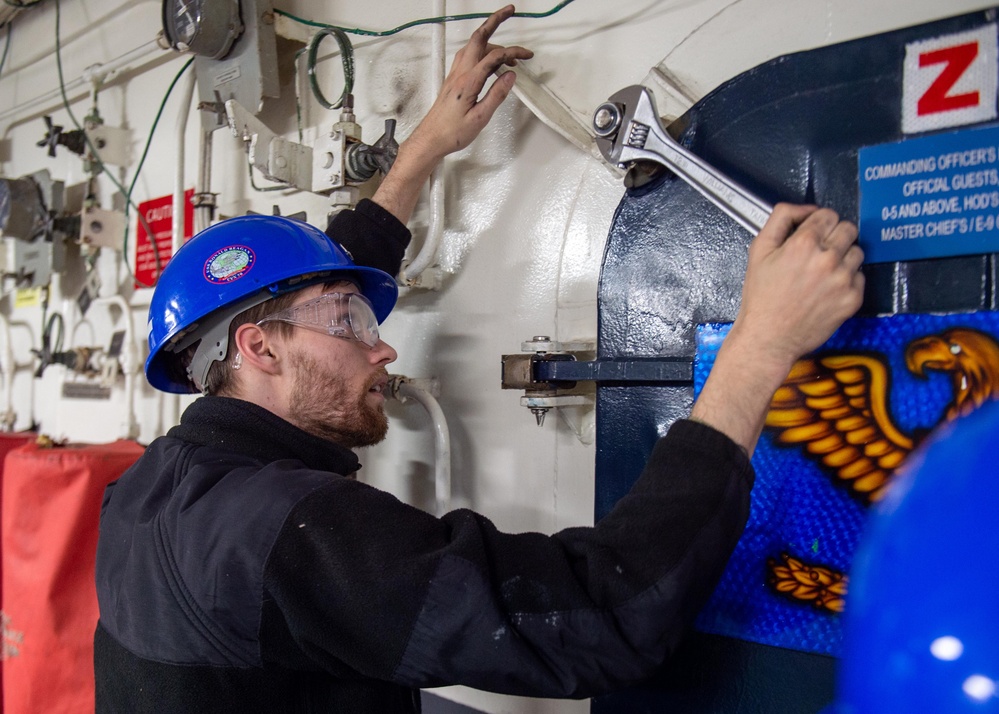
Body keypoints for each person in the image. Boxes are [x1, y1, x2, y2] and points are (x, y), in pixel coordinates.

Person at [94, 6, 865, 713]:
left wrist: (425, 148)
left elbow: (313, 294)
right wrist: (758, 346)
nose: (382, 344)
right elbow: (604, 618)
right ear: (257, 348)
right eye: (352, 322)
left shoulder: (148, 490)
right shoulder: (294, 532)